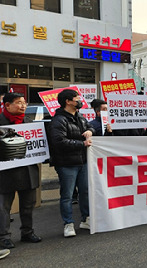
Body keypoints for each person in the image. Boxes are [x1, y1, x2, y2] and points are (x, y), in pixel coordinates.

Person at [49, 89, 94, 237]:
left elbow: (90, 127)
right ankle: (68, 224)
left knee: (85, 192)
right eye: (77, 98)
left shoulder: (80, 117)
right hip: (66, 163)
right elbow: (58, 141)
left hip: (83, 161)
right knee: (67, 195)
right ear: (68, 101)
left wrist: (90, 132)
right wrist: (82, 144)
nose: (80, 101)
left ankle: (85, 219)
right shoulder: (59, 120)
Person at [0, 93, 42, 249]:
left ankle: (27, 232)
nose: (23, 105)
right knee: (3, 207)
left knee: (28, 204)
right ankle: (3, 236)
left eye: (24, 102)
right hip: (4, 171)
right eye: (18, 103)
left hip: (27, 170)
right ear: (7, 105)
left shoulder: (29, 122)